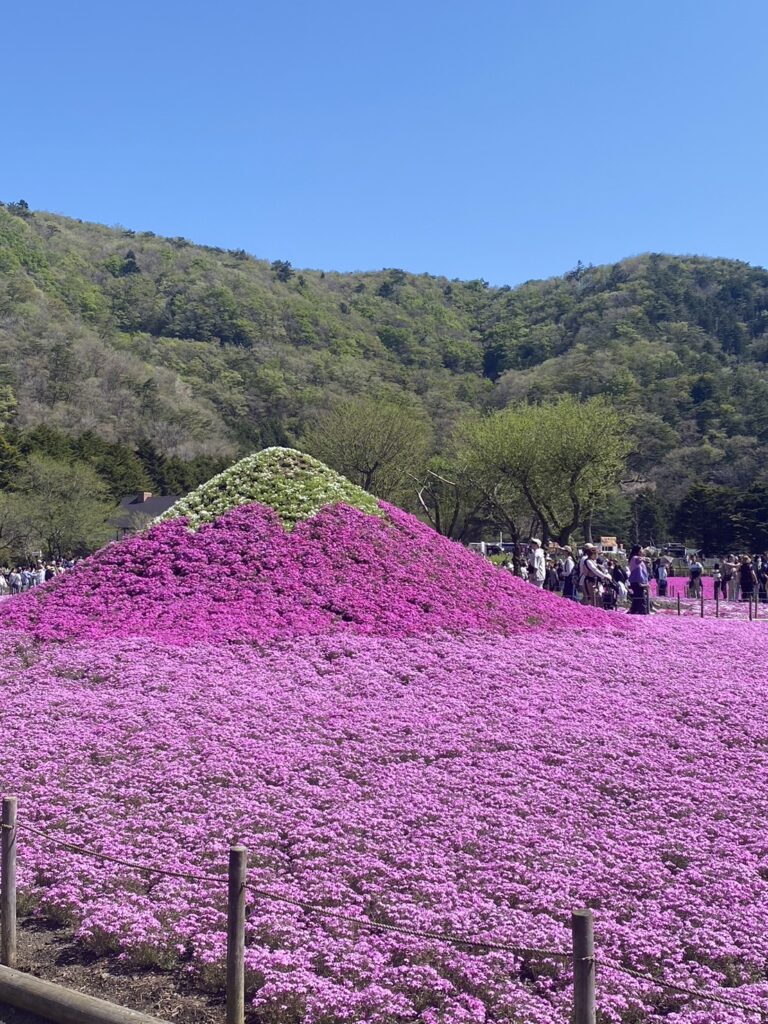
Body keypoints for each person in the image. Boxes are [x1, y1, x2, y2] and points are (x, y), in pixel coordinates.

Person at [628, 544, 650, 614]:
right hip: (636, 581)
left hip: (641, 581)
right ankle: (642, 611)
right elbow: (640, 560)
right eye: (641, 549)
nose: (642, 551)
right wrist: (644, 557)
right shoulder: (634, 558)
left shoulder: (639, 558)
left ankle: (634, 611)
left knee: (638, 598)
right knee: (640, 598)